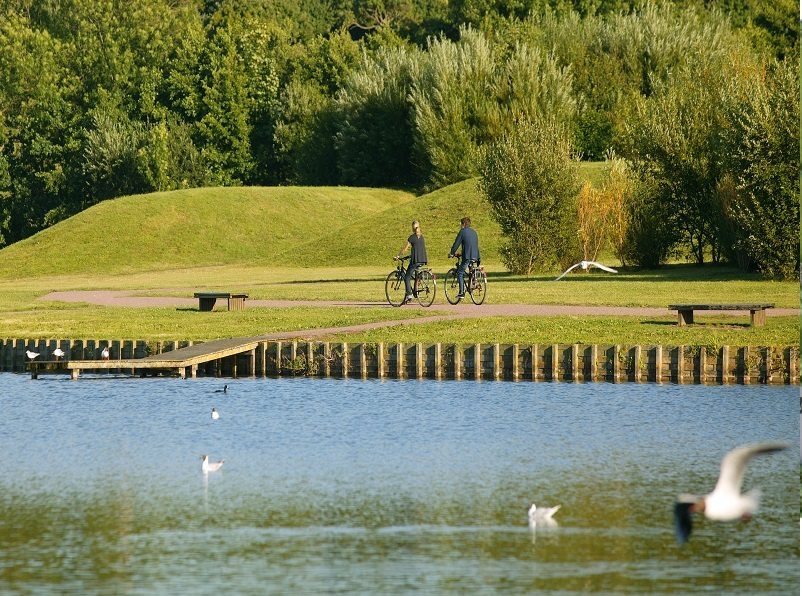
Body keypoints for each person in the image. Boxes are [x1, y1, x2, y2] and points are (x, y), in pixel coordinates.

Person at [395, 220, 428, 303]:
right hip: (423, 260)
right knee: (416, 276)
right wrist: (410, 256)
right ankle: (415, 292)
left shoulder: (412, 237)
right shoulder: (421, 237)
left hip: (415, 261)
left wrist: (398, 255)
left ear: (412, 228)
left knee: (407, 277)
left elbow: (405, 249)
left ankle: (409, 295)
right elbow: (418, 249)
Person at [448, 217, 480, 299]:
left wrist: (452, 253)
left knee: (460, 272)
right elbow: (471, 244)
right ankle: (473, 282)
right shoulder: (474, 232)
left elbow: (456, 244)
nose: (460, 225)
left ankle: (461, 292)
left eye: (461, 224)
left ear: (464, 224)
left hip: (468, 256)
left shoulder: (462, 232)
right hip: (476, 255)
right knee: (470, 270)